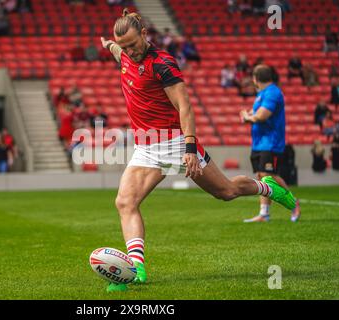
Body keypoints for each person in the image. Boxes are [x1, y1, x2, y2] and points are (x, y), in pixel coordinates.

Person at [99, 9, 298, 293]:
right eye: (125, 46)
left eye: (133, 44)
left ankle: (267, 188)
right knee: (125, 202)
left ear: (144, 34)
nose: (130, 51)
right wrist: (108, 44)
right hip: (146, 146)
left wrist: (190, 149)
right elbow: (117, 50)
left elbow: (185, 107)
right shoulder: (125, 54)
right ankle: (136, 270)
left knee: (226, 192)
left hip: (176, 143)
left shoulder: (162, 64)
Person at [239, 65, 300, 223]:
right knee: (261, 176)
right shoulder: (262, 94)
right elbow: (255, 114)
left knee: (269, 176)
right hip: (259, 142)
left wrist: (248, 117)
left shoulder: (273, 92)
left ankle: (293, 203)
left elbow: (262, 116)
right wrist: (248, 115)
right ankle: (264, 213)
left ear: (256, 78)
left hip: (271, 142)